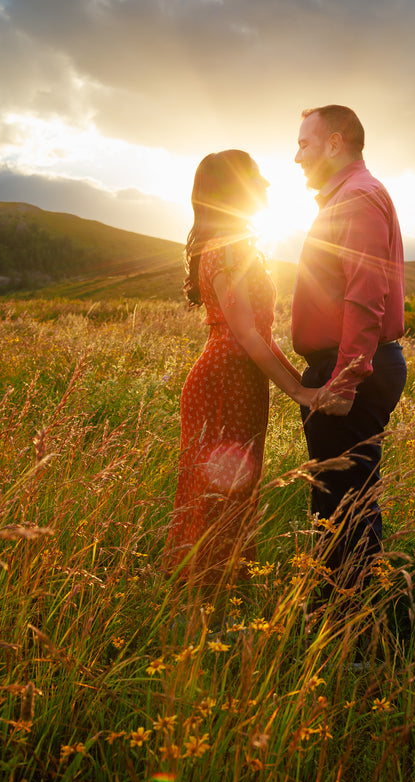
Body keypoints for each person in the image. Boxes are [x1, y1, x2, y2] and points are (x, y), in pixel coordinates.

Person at [165, 150, 319, 586]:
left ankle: (221, 593)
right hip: (224, 379)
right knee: (217, 493)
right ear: (234, 189)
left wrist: (301, 384)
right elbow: (249, 336)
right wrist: (302, 394)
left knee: (234, 490)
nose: (267, 184)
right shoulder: (227, 251)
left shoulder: (237, 247)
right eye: (257, 176)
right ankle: (198, 598)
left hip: (242, 379)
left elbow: (261, 338)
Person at [292, 105, 407, 595]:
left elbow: (366, 294)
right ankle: (342, 625)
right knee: (343, 503)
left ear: (335, 143)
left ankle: (352, 639)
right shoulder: (349, 195)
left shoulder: (356, 198)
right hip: (349, 365)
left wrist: (344, 377)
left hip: (350, 370)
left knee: (345, 509)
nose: (296, 156)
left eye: (304, 143)